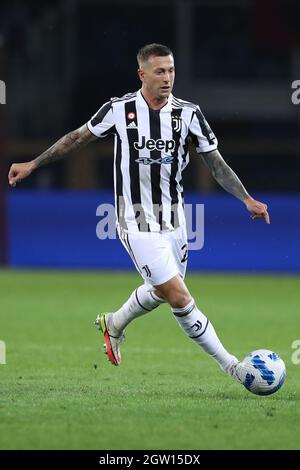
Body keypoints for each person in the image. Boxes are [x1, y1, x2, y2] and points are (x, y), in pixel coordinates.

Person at [8, 43, 269, 384]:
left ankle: (114, 323)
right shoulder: (119, 110)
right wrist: (34, 163)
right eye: (159, 71)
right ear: (141, 74)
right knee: (179, 296)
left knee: (162, 291)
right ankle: (234, 367)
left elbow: (215, 164)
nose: (167, 78)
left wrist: (246, 198)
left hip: (175, 220)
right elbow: (75, 140)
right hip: (135, 220)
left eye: (171, 70)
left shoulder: (189, 114)